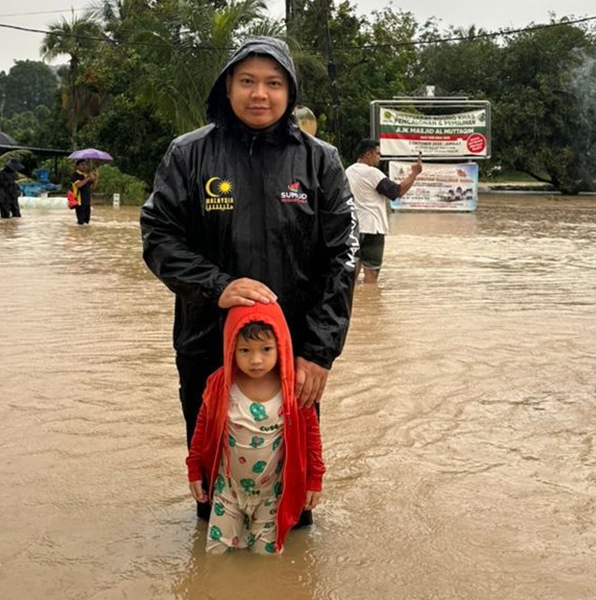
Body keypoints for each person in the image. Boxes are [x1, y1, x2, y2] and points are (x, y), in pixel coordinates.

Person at [140, 36, 356, 525]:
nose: (260, 94)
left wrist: (319, 351)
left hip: (293, 352)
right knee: (211, 498)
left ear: (290, 92)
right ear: (228, 87)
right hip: (207, 346)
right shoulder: (188, 154)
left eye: (273, 83)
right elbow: (158, 237)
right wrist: (217, 285)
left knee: (292, 510)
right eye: (248, 81)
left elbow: (342, 257)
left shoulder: (320, 160)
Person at [187, 301, 324, 554]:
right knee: (215, 558)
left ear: (281, 345)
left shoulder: (293, 389)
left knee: (266, 560)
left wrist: (314, 479)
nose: (256, 360)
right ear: (231, 348)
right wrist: (194, 469)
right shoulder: (220, 384)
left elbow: (312, 438)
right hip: (227, 491)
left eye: (266, 349)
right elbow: (202, 427)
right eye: (245, 350)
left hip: (272, 496)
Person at [345, 138, 422, 284]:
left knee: (351, 273)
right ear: (368, 155)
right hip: (373, 228)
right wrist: (414, 173)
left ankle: (353, 299)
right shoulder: (372, 173)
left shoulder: (348, 171)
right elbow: (397, 192)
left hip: (353, 228)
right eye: (377, 154)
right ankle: (370, 298)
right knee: (371, 275)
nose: (379, 157)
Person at [70, 159, 98, 225]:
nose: (84, 166)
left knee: (86, 222)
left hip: (87, 201)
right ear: (77, 166)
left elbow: (92, 187)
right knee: (81, 222)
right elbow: (78, 185)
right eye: (82, 164)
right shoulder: (75, 175)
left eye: (85, 164)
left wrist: (96, 178)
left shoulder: (85, 175)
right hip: (80, 201)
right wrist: (88, 178)